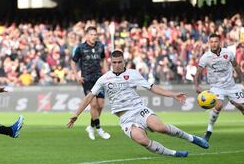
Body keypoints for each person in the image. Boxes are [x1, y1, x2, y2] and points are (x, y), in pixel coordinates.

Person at [67, 50, 209, 157]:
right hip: (125, 118)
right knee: (142, 140)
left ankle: (192, 138)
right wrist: (76, 115)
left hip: (138, 109)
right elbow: (89, 96)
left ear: (124, 62)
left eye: (119, 62)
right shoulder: (104, 79)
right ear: (111, 63)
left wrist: (173, 95)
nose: (117, 65)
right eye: (114, 62)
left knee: (160, 128)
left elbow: (152, 87)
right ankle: (173, 153)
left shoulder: (133, 74)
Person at [194, 33, 244, 142]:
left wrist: (242, 80)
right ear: (209, 43)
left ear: (219, 42)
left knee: (241, 107)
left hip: (231, 86)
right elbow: (198, 72)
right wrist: (196, 85)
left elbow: (236, 66)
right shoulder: (205, 57)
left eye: (215, 41)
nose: (213, 44)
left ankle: (234, 102)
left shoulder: (228, 53)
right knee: (219, 105)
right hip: (216, 87)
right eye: (211, 42)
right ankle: (209, 130)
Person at [70, 26, 110, 140]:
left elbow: (103, 61)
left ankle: (91, 127)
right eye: (91, 34)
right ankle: (99, 128)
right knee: (93, 104)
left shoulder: (100, 46)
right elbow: (73, 62)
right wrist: (77, 75)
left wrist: (107, 74)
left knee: (101, 105)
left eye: (95, 34)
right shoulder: (80, 48)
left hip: (99, 78)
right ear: (87, 35)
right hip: (87, 79)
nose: (94, 36)